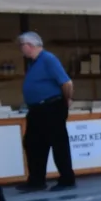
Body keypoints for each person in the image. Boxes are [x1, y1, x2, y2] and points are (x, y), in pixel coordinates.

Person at [17, 31, 76, 192]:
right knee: (32, 143)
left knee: (58, 143)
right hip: (37, 109)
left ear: (29, 46)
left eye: (21, 45)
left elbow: (66, 82)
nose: (21, 49)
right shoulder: (34, 63)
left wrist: (67, 100)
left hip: (51, 107)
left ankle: (67, 179)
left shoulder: (48, 59)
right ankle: (36, 180)